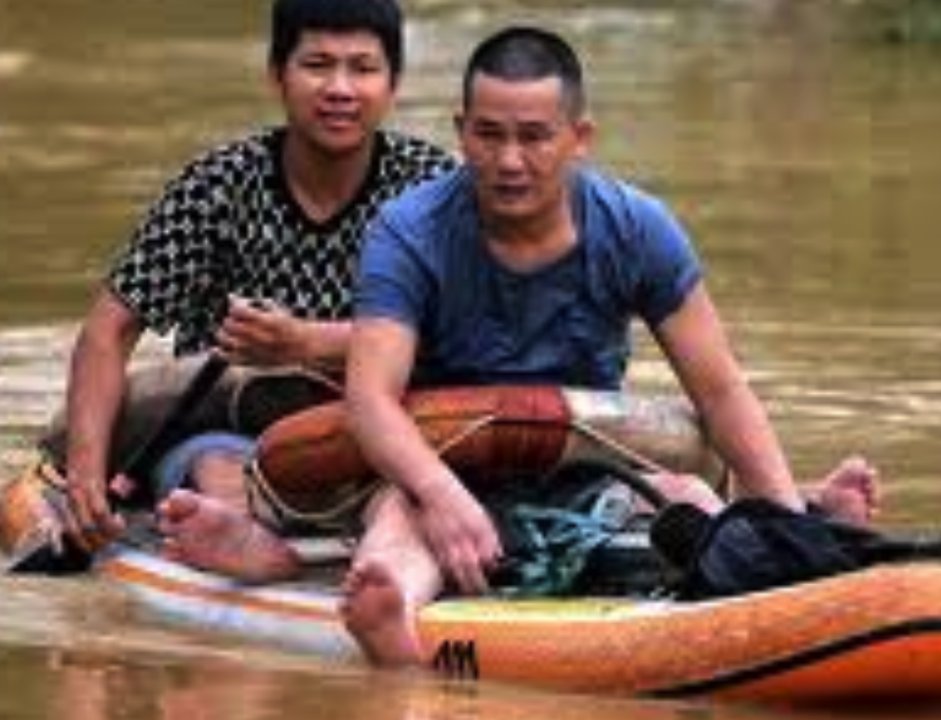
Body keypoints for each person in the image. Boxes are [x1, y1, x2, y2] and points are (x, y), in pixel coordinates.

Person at [338, 25, 879, 665]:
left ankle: (797, 519)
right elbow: (370, 400)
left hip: (592, 472)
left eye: (535, 137)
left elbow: (720, 389)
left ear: (579, 139)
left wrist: (789, 529)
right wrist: (444, 497)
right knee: (398, 526)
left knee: (690, 500)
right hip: (445, 473)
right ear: (461, 131)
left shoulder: (637, 228)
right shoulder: (408, 232)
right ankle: (390, 619)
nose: (510, 161)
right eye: (489, 135)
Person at [54, 0, 455, 579]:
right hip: (228, 434)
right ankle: (240, 536)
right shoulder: (216, 186)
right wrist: (86, 477)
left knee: (408, 477)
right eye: (317, 64)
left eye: (362, 68)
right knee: (217, 469)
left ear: (393, 84)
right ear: (276, 75)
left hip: (379, 433)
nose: (340, 88)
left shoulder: (431, 189)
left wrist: (309, 343)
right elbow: (108, 330)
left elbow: (466, 327)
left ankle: (383, 557)